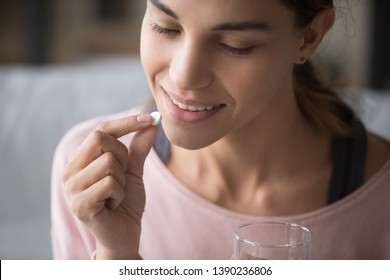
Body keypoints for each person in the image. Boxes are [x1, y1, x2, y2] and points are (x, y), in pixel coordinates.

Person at [51, 0, 390, 260]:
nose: (184, 76)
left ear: (309, 37)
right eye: (165, 26)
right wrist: (118, 257)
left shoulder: (379, 195)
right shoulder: (91, 170)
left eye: (234, 44)